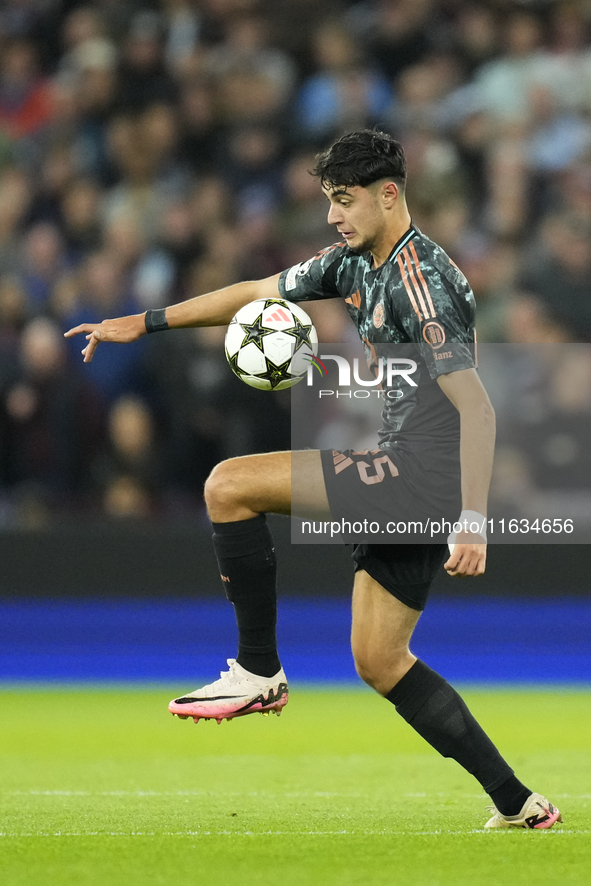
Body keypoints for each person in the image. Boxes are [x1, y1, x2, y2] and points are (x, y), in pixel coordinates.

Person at [65, 129, 561, 830]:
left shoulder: (421, 283)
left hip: (419, 475)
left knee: (228, 485)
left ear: (388, 195)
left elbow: (475, 405)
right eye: (329, 200)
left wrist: (473, 517)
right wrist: (143, 323)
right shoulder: (353, 262)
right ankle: (518, 804)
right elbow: (256, 290)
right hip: (412, 471)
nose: (333, 215)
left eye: (344, 200)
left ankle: (259, 670)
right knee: (380, 660)